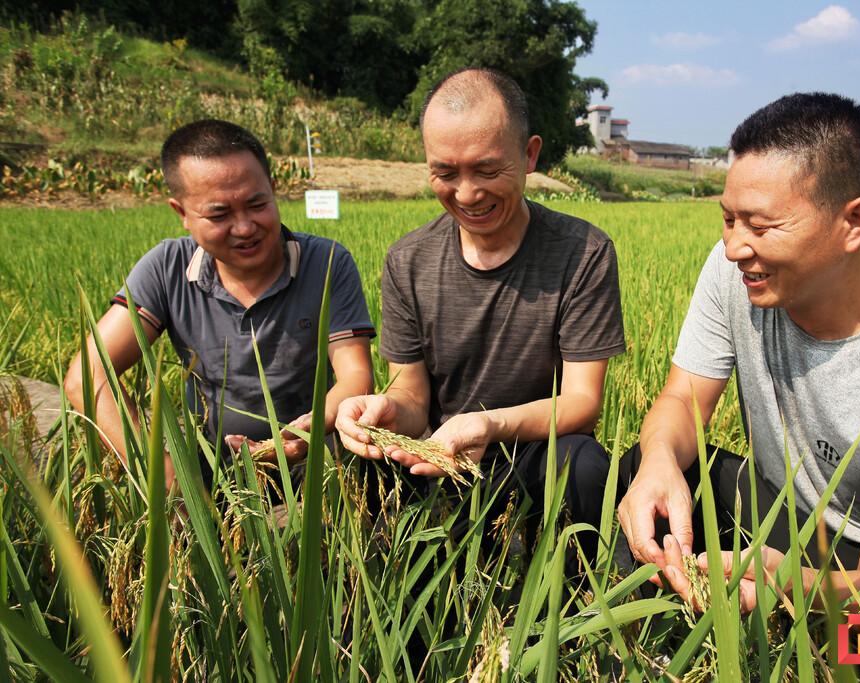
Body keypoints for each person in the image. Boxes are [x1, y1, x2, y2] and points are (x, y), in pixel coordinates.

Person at [617, 92, 860, 615]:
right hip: (780, 509)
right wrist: (658, 461)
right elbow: (683, 398)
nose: (734, 247)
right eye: (728, 219)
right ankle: (634, 648)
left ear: (855, 222)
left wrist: (788, 583)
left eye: (762, 226)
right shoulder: (738, 271)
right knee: (638, 475)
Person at [335, 68, 625, 555]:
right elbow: (410, 389)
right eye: (445, 173)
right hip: (440, 452)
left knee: (586, 465)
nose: (467, 194)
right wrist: (387, 410)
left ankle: (573, 606)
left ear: (529, 155)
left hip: (532, 451)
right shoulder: (409, 260)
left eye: (488, 171)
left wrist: (490, 425)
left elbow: (581, 402)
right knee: (362, 461)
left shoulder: (583, 252)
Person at [64, 119, 375, 491]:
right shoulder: (168, 269)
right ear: (181, 213)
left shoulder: (325, 262)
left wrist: (304, 431)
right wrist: (163, 473)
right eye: (219, 214)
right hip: (210, 473)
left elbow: (355, 377)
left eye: (257, 204)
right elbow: (87, 376)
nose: (244, 227)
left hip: (314, 467)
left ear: (273, 190)